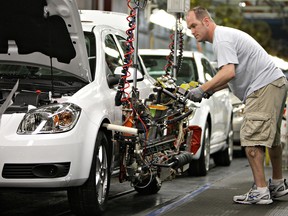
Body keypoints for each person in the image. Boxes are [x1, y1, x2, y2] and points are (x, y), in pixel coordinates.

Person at [185, 6, 288, 205]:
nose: (192, 31)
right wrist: (208, 90)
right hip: (275, 83)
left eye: (194, 26)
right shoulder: (224, 37)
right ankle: (276, 184)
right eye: (189, 28)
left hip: (263, 87)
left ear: (206, 21)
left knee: (251, 139)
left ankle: (261, 191)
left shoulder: (221, 39)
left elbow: (229, 72)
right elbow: (233, 76)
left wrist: (202, 88)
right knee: (271, 139)